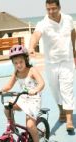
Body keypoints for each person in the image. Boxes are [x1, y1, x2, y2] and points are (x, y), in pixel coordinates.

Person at [29, 0, 76, 131]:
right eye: (48, 9)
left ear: (59, 7)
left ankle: (69, 120)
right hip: (51, 64)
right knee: (55, 90)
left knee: (67, 90)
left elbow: (73, 32)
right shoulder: (43, 23)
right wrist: (31, 47)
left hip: (66, 61)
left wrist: (74, 48)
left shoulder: (68, 19)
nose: (51, 12)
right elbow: (35, 35)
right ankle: (61, 109)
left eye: (53, 8)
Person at [0, 45, 45, 142]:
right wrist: (0, 90)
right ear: (13, 64)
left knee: (30, 126)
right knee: (7, 106)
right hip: (22, 98)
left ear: (26, 60)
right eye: (16, 63)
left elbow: (42, 83)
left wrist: (35, 90)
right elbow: (9, 86)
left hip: (33, 99)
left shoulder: (32, 70)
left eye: (21, 62)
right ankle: (11, 127)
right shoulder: (16, 73)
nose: (19, 65)